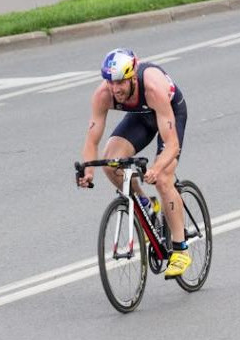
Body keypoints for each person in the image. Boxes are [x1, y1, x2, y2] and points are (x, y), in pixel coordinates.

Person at [76, 48, 192, 277]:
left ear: (132, 76)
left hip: (169, 113)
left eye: (120, 82)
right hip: (141, 116)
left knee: (163, 179)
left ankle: (180, 249)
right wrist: (88, 170)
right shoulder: (103, 94)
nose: (115, 88)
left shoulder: (152, 87)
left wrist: (157, 168)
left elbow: (172, 145)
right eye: (111, 82)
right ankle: (145, 203)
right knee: (111, 163)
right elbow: (92, 140)